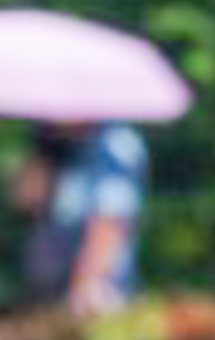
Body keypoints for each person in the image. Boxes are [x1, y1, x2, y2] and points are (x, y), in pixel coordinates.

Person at [16, 119, 148, 314]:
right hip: (53, 292)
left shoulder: (114, 145)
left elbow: (109, 224)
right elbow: (25, 200)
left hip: (94, 300)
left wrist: (86, 285)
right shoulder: (64, 146)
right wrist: (42, 153)